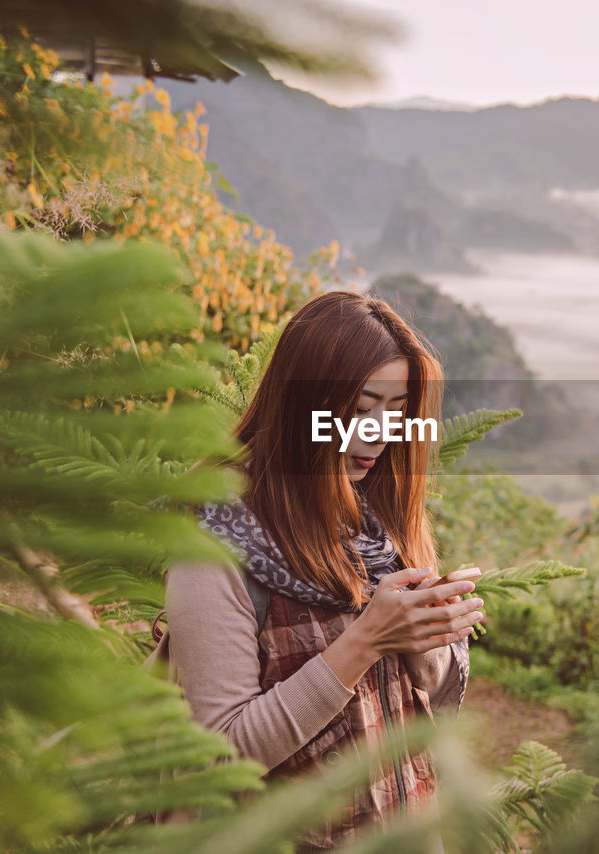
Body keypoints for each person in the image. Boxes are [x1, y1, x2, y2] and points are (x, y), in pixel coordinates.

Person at [164, 290, 484, 852]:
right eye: (361, 409)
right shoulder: (217, 539)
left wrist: (427, 641)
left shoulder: (378, 518)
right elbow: (218, 753)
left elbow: (429, 706)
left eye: (398, 410)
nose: (379, 433)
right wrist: (364, 641)